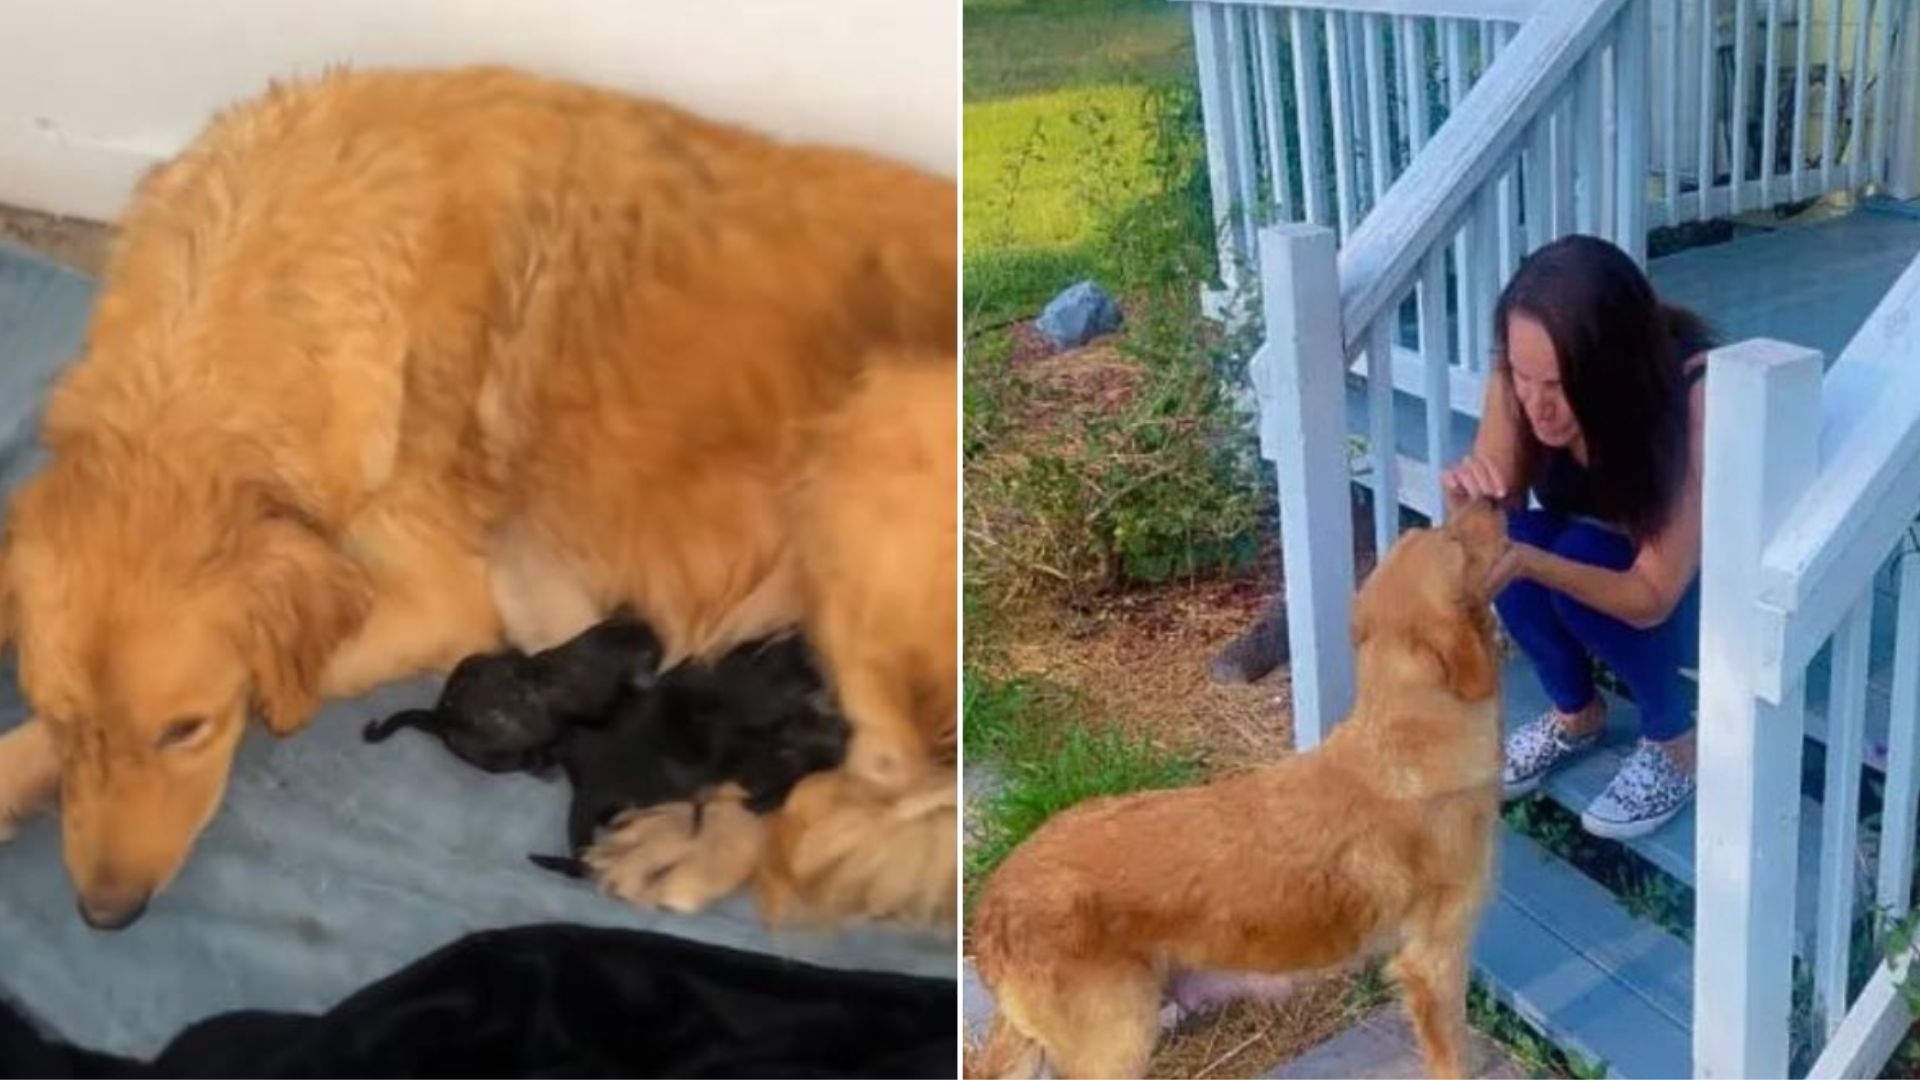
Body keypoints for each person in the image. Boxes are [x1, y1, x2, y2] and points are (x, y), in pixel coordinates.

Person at [1443, 234, 1712, 840]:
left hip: (1707, 596)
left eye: (1559, 385)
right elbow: (1490, 528)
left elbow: (1653, 594)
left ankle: (1675, 740)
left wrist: (1535, 563)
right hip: (1613, 573)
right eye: (1521, 375)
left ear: (1612, 369)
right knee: (1519, 542)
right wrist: (1466, 505)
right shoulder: (1523, 380)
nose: (1537, 404)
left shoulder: (1695, 396)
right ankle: (1577, 714)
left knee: (1566, 560)